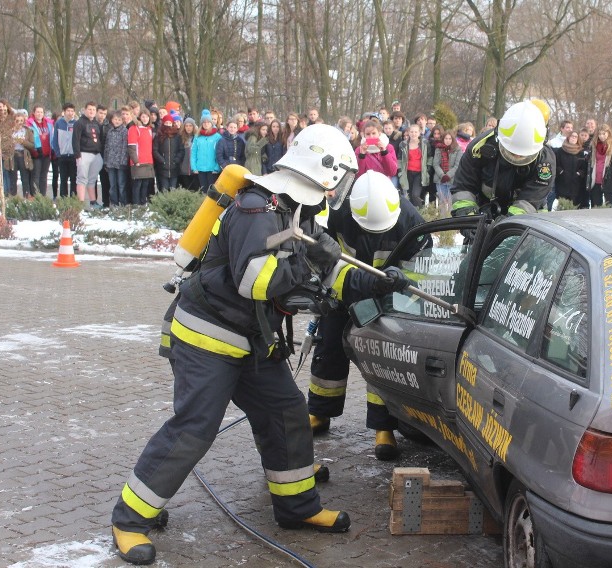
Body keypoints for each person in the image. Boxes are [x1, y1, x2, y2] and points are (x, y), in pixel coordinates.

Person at [110, 124, 358, 565]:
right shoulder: (255, 208)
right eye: (338, 177)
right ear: (323, 171)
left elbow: (317, 266)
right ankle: (129, 519)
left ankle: (297, 508)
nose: (338, 188)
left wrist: (361, 283)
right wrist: (306, 267)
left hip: (252, 339)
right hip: (208, 337)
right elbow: (254, 280)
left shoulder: (295, 207)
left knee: (286, 413)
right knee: (195, 427)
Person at [307, 170, 425, 461]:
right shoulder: (338, 215)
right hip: (343, 293)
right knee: (329, 348)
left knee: (382, 357)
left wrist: (401, 278)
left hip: (387, 300)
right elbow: (325, 264)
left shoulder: (410, 221)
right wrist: (356, 284)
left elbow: (421, 272)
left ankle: (383, 427)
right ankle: (320, 412)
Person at [451, 100, 555, 220]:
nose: (516, 157)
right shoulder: (480, 147)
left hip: (529, 218)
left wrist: (509, 225)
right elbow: (464, 186)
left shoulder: (545, 162)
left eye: (522, 154)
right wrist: (468, 219)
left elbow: (531, 199)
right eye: (512, 152)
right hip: (485, 211)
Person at [72, 101, 104, 207]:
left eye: (93, 110)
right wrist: (77, 156)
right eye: (89, 109)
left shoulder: (96, 123)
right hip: (84, 153)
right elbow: (75, 140)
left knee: (92, 179)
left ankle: (93, 201)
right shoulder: (79, 123)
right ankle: (80, 203)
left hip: (96, 154)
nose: (91, 111)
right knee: (82, 178)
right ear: (85, 110)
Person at [586, 124, 612, 207]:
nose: (601, 136)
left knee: (608, 206)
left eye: (604, 134)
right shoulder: (593, 146)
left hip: (608, 180)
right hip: (595, 180)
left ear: (608, 133)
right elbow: (589, 162)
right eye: (599, 134)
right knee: (595, 205)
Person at [552, 130, 587, 210]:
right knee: (563, 206)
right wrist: (561, 172)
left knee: (575, 206)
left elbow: (584, 167)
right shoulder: (561, 150)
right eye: (572, 136)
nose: (574, 138)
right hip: (562, 182)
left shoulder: (580, 152)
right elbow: (556, 164)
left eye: (576, 137)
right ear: (568, 138)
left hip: (576, 184)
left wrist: (579, 173)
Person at [26, 105, 55, 198]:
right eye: (37, 112)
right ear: (34, 113)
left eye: (41, 112)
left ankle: (43, 196)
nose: (39, 114)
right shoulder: (29, 124)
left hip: (47, 154)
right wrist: (34, 151)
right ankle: (35, 196)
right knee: (35, 176)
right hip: (36, 154)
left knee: (44, 176)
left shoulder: (48, 123)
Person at [399, 124, 431, 208]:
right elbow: (399, 159)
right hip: (408, 173)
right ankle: (413, 215)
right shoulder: (403, 144)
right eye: (412, 132)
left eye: (416, 132)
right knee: (409, 196)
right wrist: (400, 172)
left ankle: (421, 213)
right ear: (409, 133)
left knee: (415, 195)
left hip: (420, 173)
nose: (413, 134)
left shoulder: (425, 143)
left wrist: (428, 169)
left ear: (419, 133)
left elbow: (429, 157)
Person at [127, 110, 155, 206]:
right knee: (137, 185)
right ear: (139, 117)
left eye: (147, 117)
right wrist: (136, 161)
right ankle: (136, 205)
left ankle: (143, 204)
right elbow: (132, 146)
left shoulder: (149, 129)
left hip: (148, 162)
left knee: (145, 185)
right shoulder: (134, 129)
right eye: (143, 117)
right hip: (138, 162)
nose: (145, 119)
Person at [5, 112, 35, 197]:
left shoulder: (28, 131)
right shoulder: (10, 131)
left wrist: (23, 142)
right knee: (13, 178)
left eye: (21, 120)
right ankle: (13, 197)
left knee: (25, 178)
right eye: (17, 120)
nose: (19, 122)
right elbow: (5, 144)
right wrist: (11, 143)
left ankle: (26, 197)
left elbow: (32, 145)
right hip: (12, 155)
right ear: (14, 121)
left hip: (23, 155)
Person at [103, 110, 130, 205]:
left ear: (122, 121)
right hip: (110, 163)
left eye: (119, 120)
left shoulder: (124, 131)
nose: (117, 121)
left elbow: (125, 148)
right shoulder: (110, 131)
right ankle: (114, 203)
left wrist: (123, 161)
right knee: (112, 185)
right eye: (115, 119)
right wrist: (105, 161)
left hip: (120, 163)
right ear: (112, 120)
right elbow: (106, 147)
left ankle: (123, 203)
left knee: (121, 184)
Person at [432, 131, 461, 217]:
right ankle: (443, 221)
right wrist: (442, 175)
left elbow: (457, 165)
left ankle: (452, 221)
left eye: (449, 139)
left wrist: (448, 175)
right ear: (443, 139)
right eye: (446, 138)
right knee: (443, 201)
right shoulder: (438, 149)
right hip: (440, 179)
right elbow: (435, 164)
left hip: (452, 179)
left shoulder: (457, 149)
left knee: (451, 201)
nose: (447, 140)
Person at [191, 109, 221, 190]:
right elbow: (193, 152)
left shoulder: (217, 136)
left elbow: (220, 153)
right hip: (200, 169)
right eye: (204, 122)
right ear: (201, 124)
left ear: (211, 123)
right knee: (204, 191)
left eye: (208, 122)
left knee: (212, 191)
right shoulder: (197, 136)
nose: (206, 124)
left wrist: (217, 167)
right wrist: (194, 167)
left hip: (212, 169)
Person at [52, 103, 77, 199]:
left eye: (72, 111)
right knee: (63, 179)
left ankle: (73, 198)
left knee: (73, 179)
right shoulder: (59, 123)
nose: (70, 113)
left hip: (73, 155)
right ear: (64, 112)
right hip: (62, 156)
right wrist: (58, 153)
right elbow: (55, 140)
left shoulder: (76, 123)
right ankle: (63, 199)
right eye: (68, 111)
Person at [153, 114, 184, 191]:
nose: (168, 125)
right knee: (164, 189)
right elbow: (155, 150)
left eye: (169, 123)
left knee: (173, 189)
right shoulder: (159, 135)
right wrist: (162, 160)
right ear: (163, 123)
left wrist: (176, 160)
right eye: (166, 123)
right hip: (162, 168)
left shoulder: (177, 136)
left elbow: (181, 150)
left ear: (172, 123)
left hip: (174, 168)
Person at [178, 118, 198, 191]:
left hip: (194, 170)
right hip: (183, 170)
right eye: (186, 126)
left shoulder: (197, 137)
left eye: (190, 126)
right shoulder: (181, 138)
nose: (188, 128)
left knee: (195, 190)